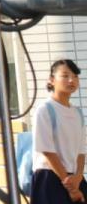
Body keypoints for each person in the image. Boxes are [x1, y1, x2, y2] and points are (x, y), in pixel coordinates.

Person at [32, 59, 87, 203]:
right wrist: (70, 186)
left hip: (75, 178)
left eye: (75, 76)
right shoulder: (45, 109)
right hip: (50, 177)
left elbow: (81, 150)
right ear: (51, 80)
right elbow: (47, 150)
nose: (71, 80)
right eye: (65, 75)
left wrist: (79, 176)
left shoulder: (78, 113)